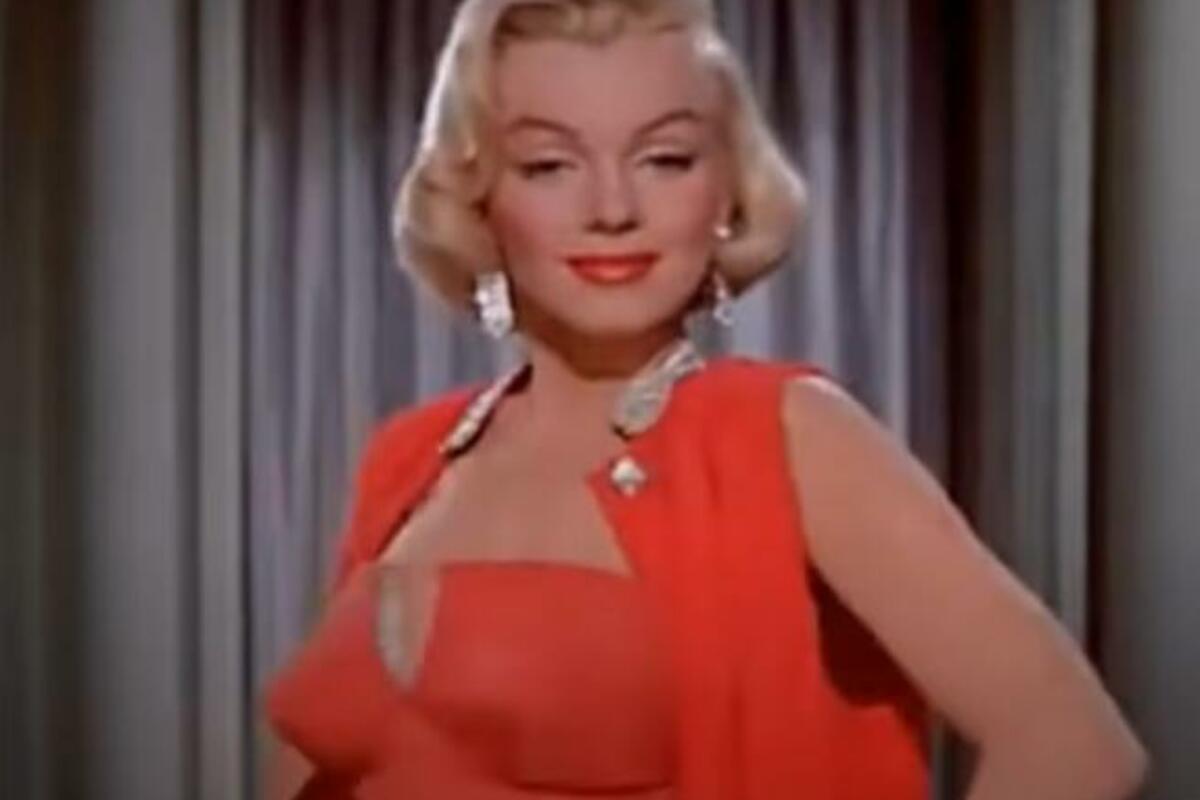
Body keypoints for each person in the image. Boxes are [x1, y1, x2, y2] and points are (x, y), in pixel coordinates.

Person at [264, 1, 1148, 798]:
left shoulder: (785, 435)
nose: (614, 208)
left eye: (665, 159)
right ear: (477, 196)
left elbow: (1074, 745)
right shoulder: (410, 457)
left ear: (725, 191)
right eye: (548, 165)